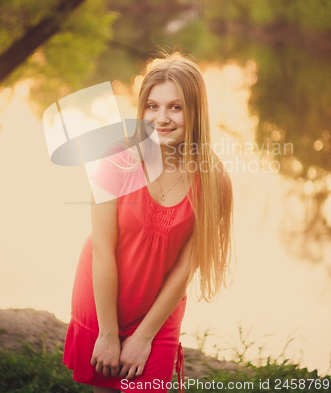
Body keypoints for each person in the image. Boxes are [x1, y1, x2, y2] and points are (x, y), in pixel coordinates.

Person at [62, 53, 233, 392]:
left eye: (176, 107)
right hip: (103, 299)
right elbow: (102, 250)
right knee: (106, 386)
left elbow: (186, 267)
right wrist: (109, 334)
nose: (162, 119)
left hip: (159, 308)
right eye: (152, 107)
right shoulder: (117, 160)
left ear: (196, 112)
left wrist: (144, 336)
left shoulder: (213, 181)